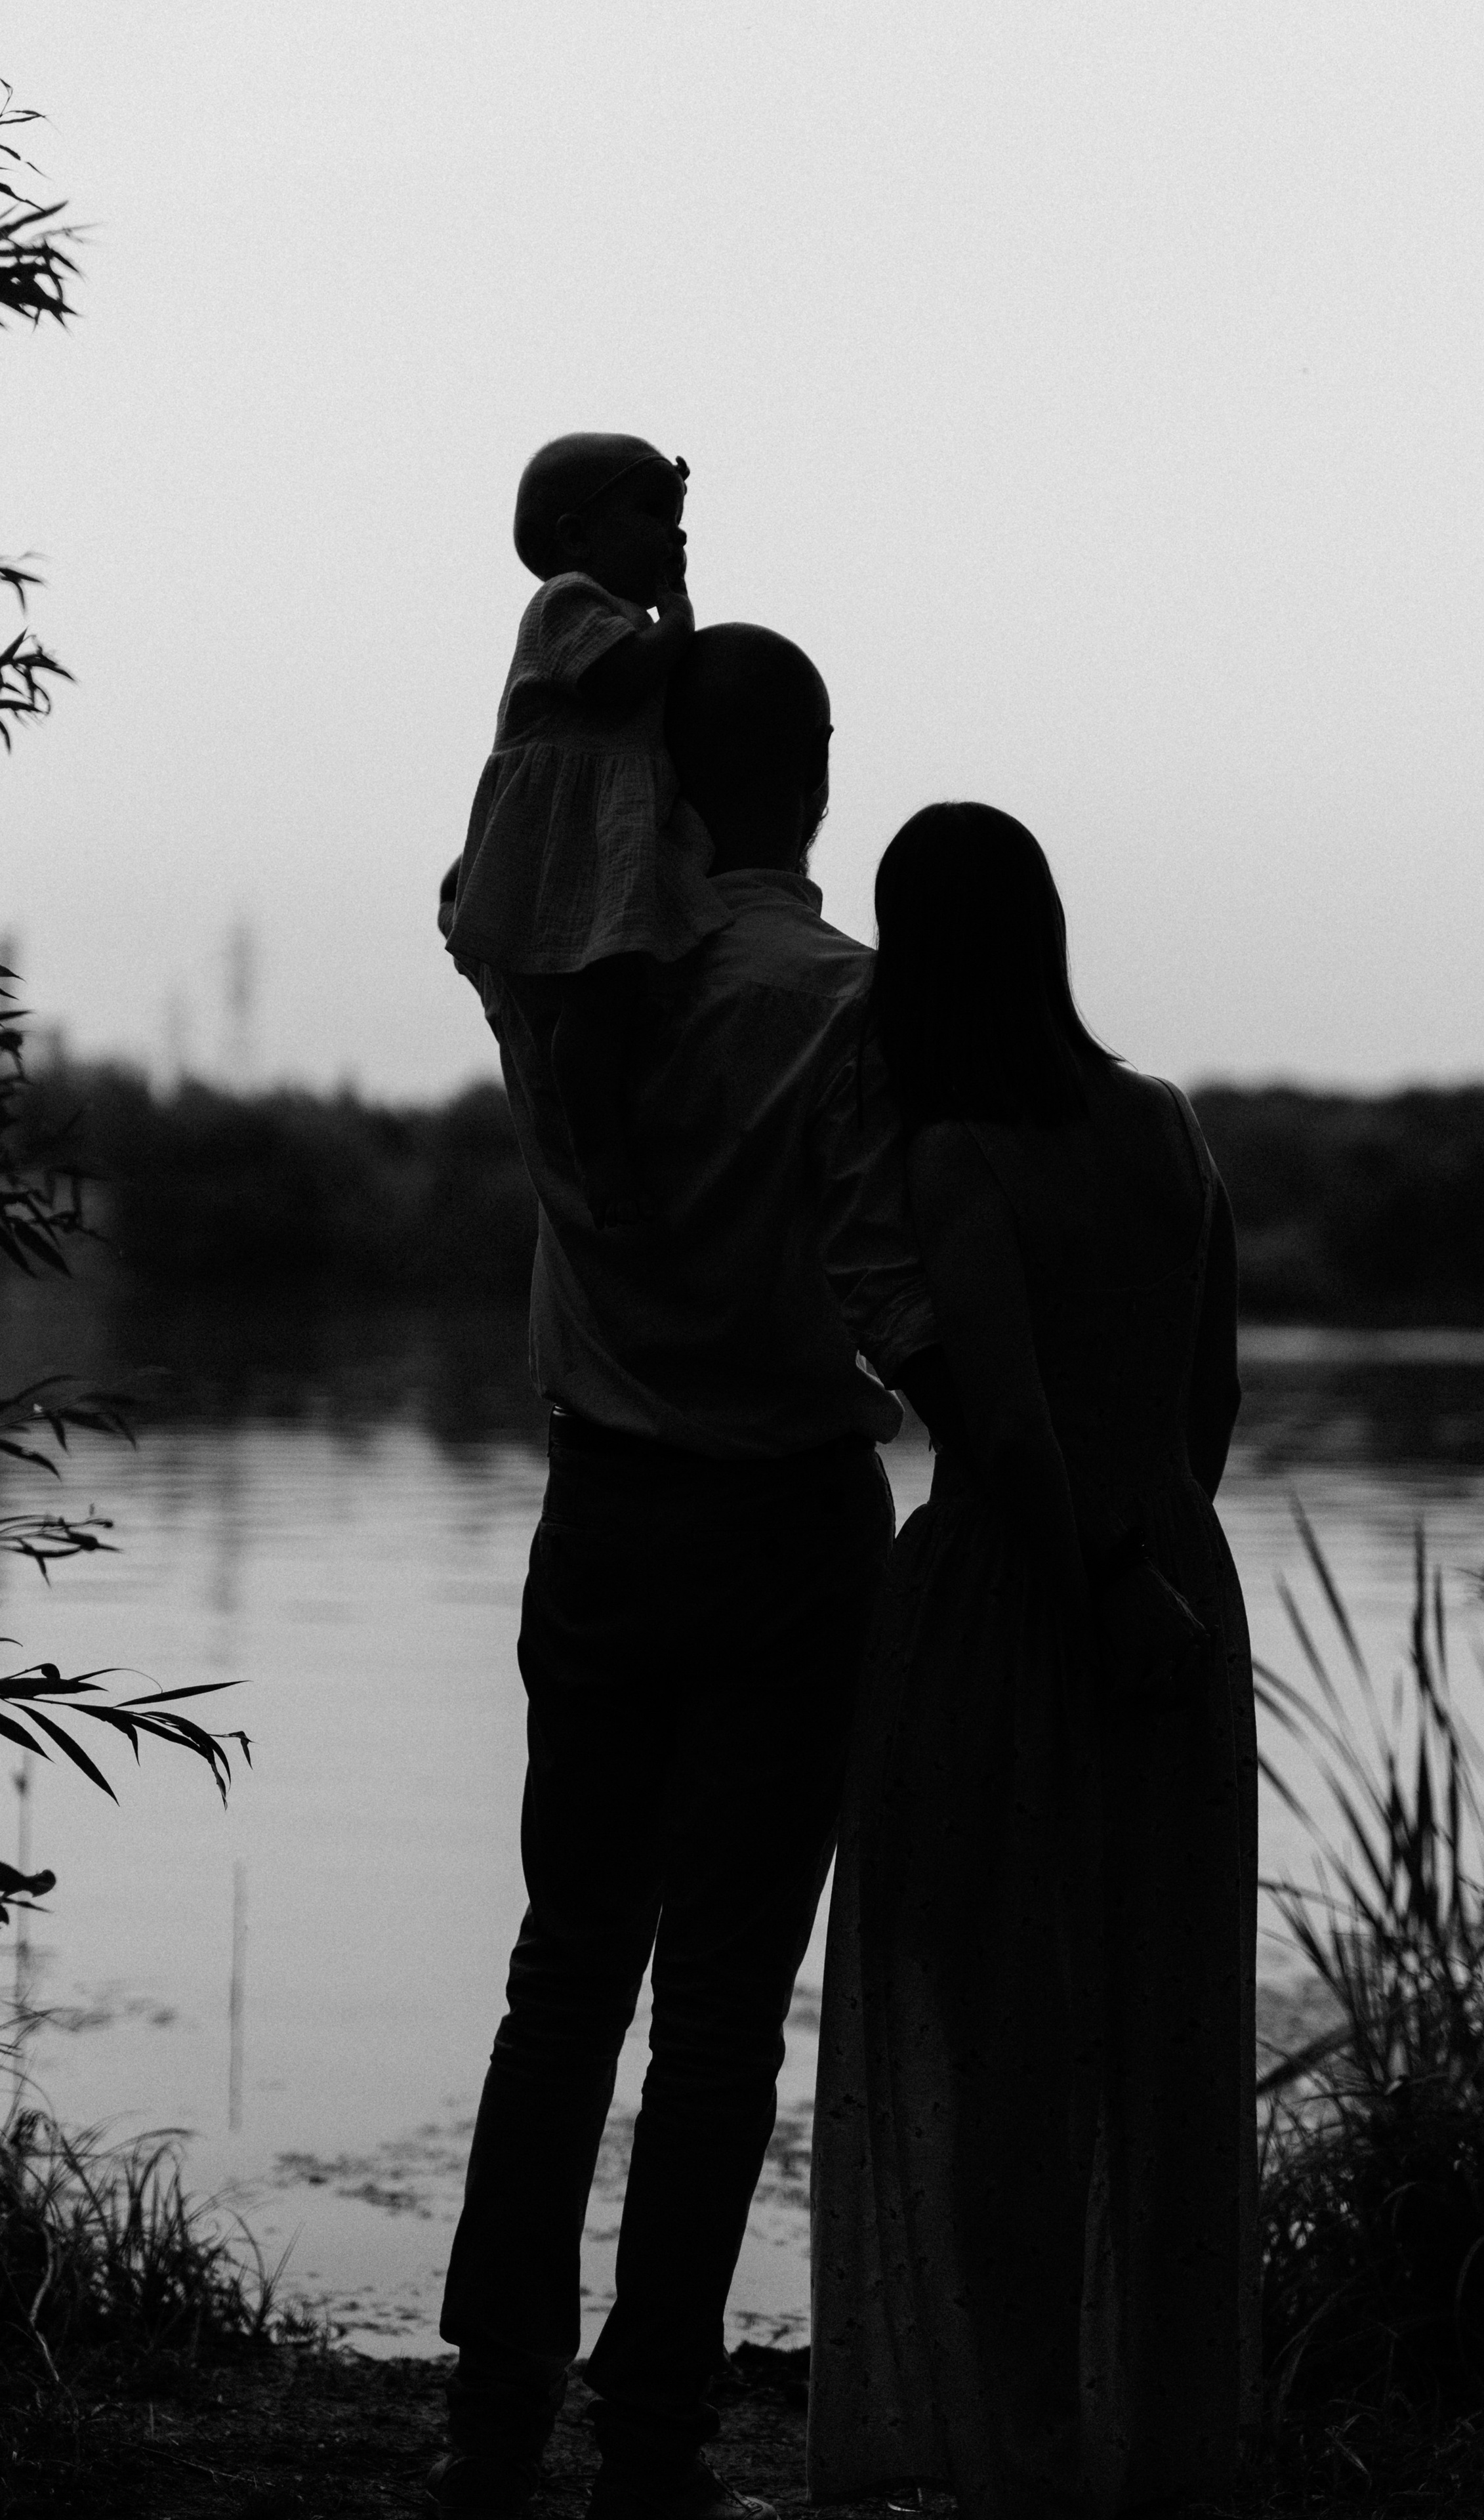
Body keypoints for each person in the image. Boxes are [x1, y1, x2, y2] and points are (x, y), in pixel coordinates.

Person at [429, 626, 937, 2520]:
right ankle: (653, 2442)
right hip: (792, 1534)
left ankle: (490, 2416)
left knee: (566, 1973)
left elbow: (491, 877)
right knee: (724, 2005)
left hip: (607, 1522)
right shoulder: (847, 1002)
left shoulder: (554, 982)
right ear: (810, 768)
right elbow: (896, 1295)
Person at [808, 803, 1259, 2520]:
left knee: (998, 2031)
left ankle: (1022, 2449)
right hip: (1183, 1595)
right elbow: (1210, 1396)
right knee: (1162, 2029)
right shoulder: (1168, 1125)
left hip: (1018, 1606)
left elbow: (996, 1416)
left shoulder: (954, 1162)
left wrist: (1096, 1583)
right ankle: (1162, 2442)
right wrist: (1162, 1560)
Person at [447, 431, 728, 1230]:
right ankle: (603, 1162)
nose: (675, 536)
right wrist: (677, 622)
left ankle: (610, 1133)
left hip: (598, 832)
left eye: (680, 520)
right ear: (574, 537)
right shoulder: (568, 604)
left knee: (619, 989)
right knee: (596, 999)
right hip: (568, 835)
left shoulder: (610, 615)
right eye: (651, 513)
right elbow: (616, 683)